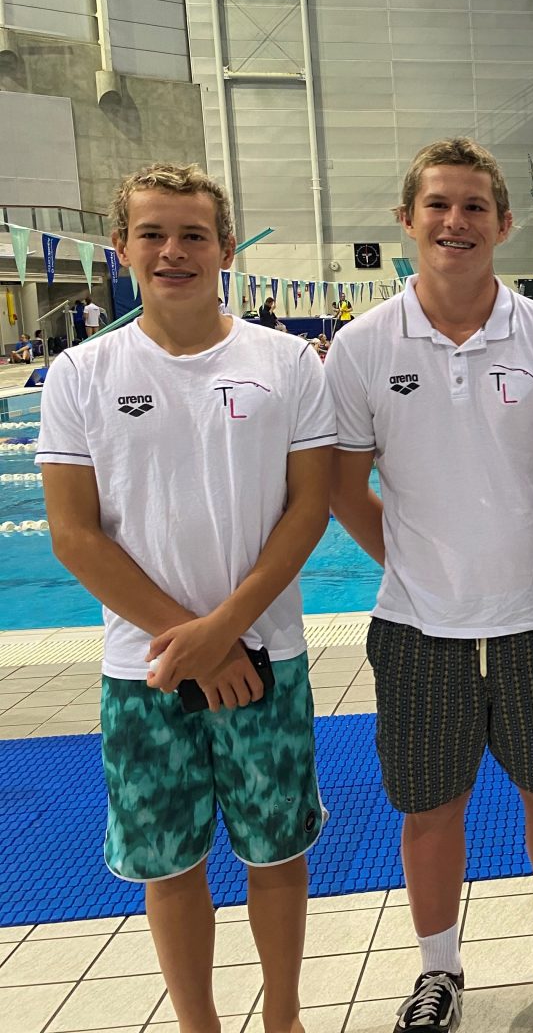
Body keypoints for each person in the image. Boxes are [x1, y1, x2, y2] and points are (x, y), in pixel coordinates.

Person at [35, 163, 334, 1033]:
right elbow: (74, 535)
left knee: (277, 853)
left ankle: (284, 1020)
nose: (174, 251)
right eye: (153, 234)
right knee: (168, 866)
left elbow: (309, 509)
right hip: (147, 670)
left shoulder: (285, 362)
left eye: (194, 234)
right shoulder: (81, 373)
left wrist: (230, 631)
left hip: (265, 658)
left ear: (226, 248)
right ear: (121, 247)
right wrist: (197, 642)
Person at [327, 138, 533, 1033]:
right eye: (439, 206)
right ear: (407, 220)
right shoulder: (361, 346)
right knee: (429, 808)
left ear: (504, 223)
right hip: (419, 627)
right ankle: (438, 970)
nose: (456, 222)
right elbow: (343, 485)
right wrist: (414, 562)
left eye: (474, 207)